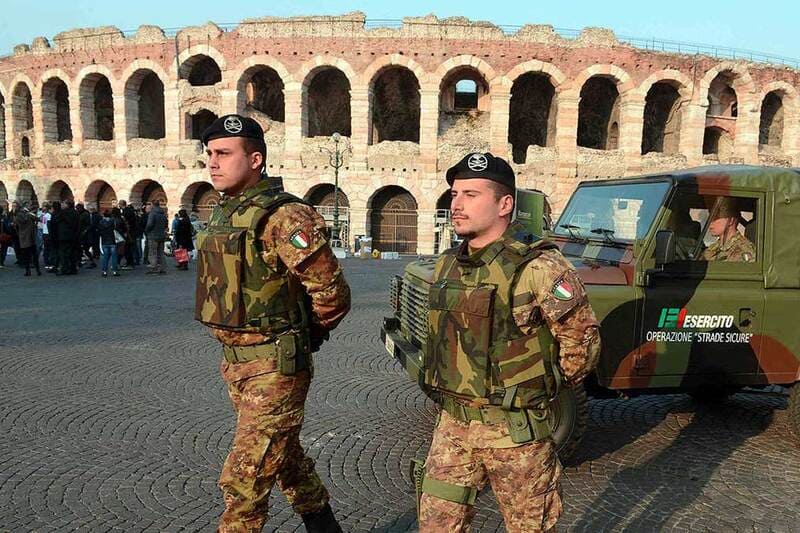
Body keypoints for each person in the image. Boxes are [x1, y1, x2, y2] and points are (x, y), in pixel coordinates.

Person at [415, 152, 601, 533]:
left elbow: (583, 344)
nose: (457, 204)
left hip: (516, 434)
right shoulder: (447, 264)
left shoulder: (539, 267)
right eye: (454, 194)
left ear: (505, 204)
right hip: (453, 426)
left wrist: (536, 389)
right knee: (435, 525)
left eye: (471, 194)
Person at [196, 114, 351, 533]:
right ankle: (324, 525)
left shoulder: (286, 218)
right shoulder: (225, 212)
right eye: (209, 154)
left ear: (256, 159)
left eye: (224, 154)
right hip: (236, 364)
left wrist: (302, 338)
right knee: (283, 454)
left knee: (245, 477)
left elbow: (332, 292)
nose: (213, 162)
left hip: (275, 367)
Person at [702, 197, 755, 262]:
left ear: (730, 221)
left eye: (715, 218)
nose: (710, 222)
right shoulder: (711, 250)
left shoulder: (744, 250)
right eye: (710, 218)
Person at [13, 201, 41, 276]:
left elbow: (38, 219)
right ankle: (28, 270)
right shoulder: (20, 214)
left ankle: (37, 270)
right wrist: (29, 214)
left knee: (34, 254)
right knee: (26, 255)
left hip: (31, 236)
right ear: (25, 206)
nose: (31, 206)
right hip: (24, 237)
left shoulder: (29, 213)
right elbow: (22, 221)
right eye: (29, 205)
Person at [145, 200, 168, 274]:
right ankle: (162, 268)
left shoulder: (152, 214)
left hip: (153, 235)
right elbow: (166, 224)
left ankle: (154, 267)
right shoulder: (163, 214)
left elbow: (150, 224)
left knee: (152, 252)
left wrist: (147, 230)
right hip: (161, 235)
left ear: (152, 205)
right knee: (160, 252)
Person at [57, 199, 80, 275]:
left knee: (63, 253)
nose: (61, 205)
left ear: (67, 204)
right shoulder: (75, 213)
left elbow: (56, 221)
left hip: (64, 236)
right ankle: (73, 268)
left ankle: (65, 269)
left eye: (63, 203)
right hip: (73, 236)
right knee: (72, 253)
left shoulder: (63, 213)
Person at [97, 209, 122, 277]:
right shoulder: (112, 221)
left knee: (105, 257)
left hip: (104, 241)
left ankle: (104, 271)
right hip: (112, 240)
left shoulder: (101, 222)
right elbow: (116, 229)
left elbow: (99, 231)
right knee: (114, 257)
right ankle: (115, 271)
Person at [76, 203, 97, 269]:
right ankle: (79, 262)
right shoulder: (81, 214)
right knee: (81, 249)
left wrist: (84, 231)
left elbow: (89, 225)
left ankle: (92, 262)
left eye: (77, 208)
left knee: (85, 249)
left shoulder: (85, 214)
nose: (77, 210)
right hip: (82, 234)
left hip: (86, 236)